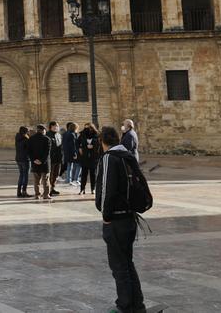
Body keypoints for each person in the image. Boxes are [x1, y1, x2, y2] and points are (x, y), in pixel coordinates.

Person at [96, 125, 147, 313]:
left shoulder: (109, 157)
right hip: (130, 217)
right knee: (127, 262)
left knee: (119, 265)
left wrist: (106, 215)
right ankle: (137, 304)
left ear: (103, 141)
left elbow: (107, 190)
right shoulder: (127, 155)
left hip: (116, 220)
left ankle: (125, 306)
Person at [27, 124, 51, 200]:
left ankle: (37, 195)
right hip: (44, 163)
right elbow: (47, 152)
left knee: (36, 180)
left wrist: (34, 160)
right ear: (43, 130)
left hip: (35, 163)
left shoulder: (31, 139)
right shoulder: (47, 139)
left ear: (37, 130)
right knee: (45, 180)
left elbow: (29, 151)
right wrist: (42, 161)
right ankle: (46, 195)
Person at [77, 123, 100, 194]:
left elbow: (99, 144)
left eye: (88, 128)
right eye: (85, 128)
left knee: (93, 174)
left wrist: (93, 146)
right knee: (84, 174)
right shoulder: (82, 135)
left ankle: (93, 189)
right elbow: (77, 143)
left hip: (93, 157)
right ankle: (82, 189)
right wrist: (80, 148)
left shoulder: (96, 135)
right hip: (84, 157)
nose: (87, 130)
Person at [47, 121, 63, 197]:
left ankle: (53, 188)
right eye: (54, 126)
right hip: (51, 159)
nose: (56, 128)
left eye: (57, 126)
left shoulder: (59, 135)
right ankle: (48, 190)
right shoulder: (48, 135)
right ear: (50, 127)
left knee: (56, 175)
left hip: (58, 158)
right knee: (51, 174)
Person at [15, 126, 31, 198]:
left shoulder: (17, 137)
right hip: (25, 159)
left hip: (18, 159)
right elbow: (30, 149)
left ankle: (18, 192)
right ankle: (24, 191)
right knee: (26, 176)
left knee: (21, 175)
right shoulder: (26, 139)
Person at [62, 121, 79, 187]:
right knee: (71, 166)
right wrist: (74, 153)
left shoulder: (65, 133)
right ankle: (70, 180)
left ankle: (68, 179)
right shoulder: (72, 134)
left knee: (69, 166)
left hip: (66, 152)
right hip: (71, 152)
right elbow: (73, 145)